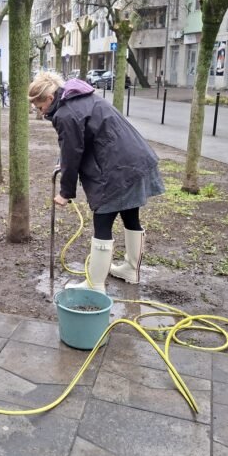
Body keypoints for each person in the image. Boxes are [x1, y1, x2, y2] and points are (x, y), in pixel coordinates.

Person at [29, 71, 165, 293]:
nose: (39, 111)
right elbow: (76, 143)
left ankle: (95, 285)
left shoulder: (65, 114)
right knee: (130, 215)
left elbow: (72, 154)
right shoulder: (79, 98)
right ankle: (131, 269)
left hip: (117, 168)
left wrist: (65, 193)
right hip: (134, 158)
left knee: (102, 221)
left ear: (49, 99)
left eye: (38, 106)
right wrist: (62, 160)